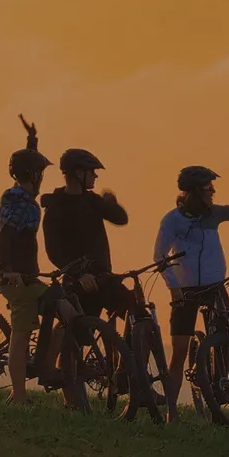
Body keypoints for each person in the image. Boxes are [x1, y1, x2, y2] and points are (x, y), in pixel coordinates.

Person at [40, 147, 153, 398]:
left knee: (141, 318)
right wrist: (80, 275)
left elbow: (121, 219)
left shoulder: (93, 201)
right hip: (79, 283)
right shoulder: (56, 207)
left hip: (104, 278)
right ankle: (70, 395)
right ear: (78, 173)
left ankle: (132, 378)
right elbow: (53, 251)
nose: (95, 177)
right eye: (92, 172)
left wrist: (112, 203)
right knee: (75, 337)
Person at [153, 164, 229, 424]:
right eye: (208, 188)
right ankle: (172, 412)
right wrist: (173, 287)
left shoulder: (213, 214)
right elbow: (159, 256)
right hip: (184, 291)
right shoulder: (172, 220)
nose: (212, 191)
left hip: (214, 286)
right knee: (179, 350)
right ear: (193, 191)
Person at [0, 116, 65, 405]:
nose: (42, 178)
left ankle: (48, 366)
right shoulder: (16, 200)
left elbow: (25, 163)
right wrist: (7, 270)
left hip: (31, 277)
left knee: (66, 309)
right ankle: (18, 394)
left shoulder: (28, 199)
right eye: (39, 173)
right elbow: (5, 237)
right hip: (17, 279)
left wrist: (32, 141)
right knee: (21, 335)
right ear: (32, 175)